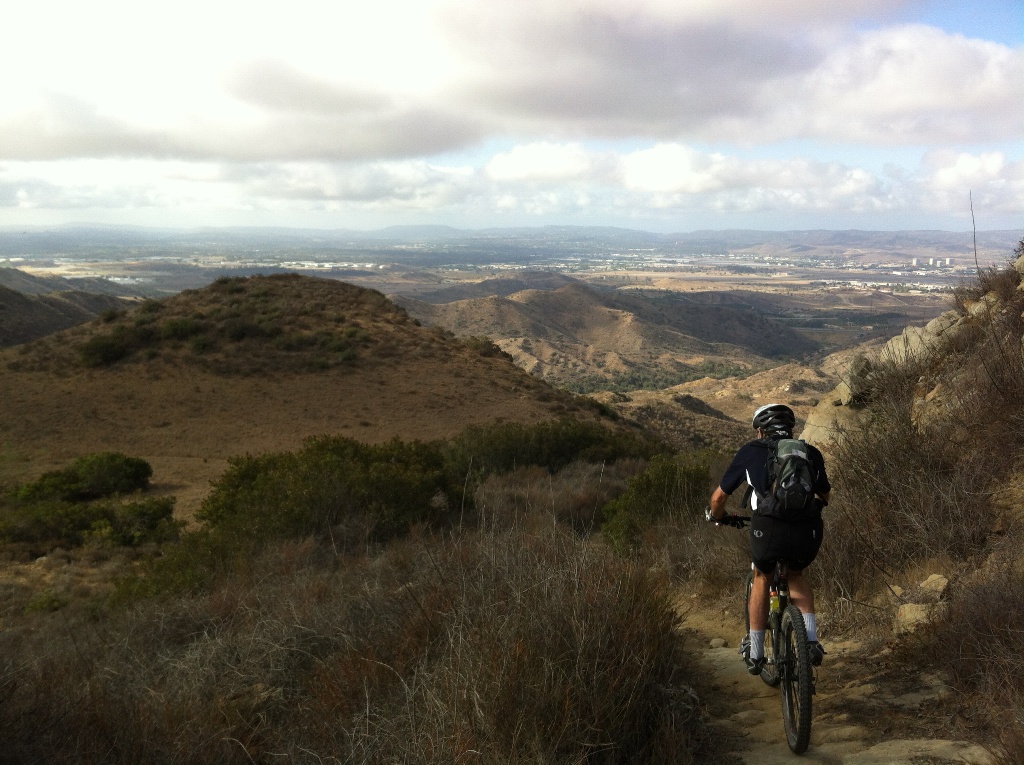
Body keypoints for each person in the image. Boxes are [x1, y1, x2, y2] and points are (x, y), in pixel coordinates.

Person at [705, 403, 831, 674]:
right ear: (790, 429)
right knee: (796, 574)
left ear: (760, 431)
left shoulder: (752, 451)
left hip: (768, 528)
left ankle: (756, 651)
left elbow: (718, 498)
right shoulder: (810, 453)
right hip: (806, 528)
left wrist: (718, 516)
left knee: (762, 576)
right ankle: (809, 642)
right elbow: (826, 496)